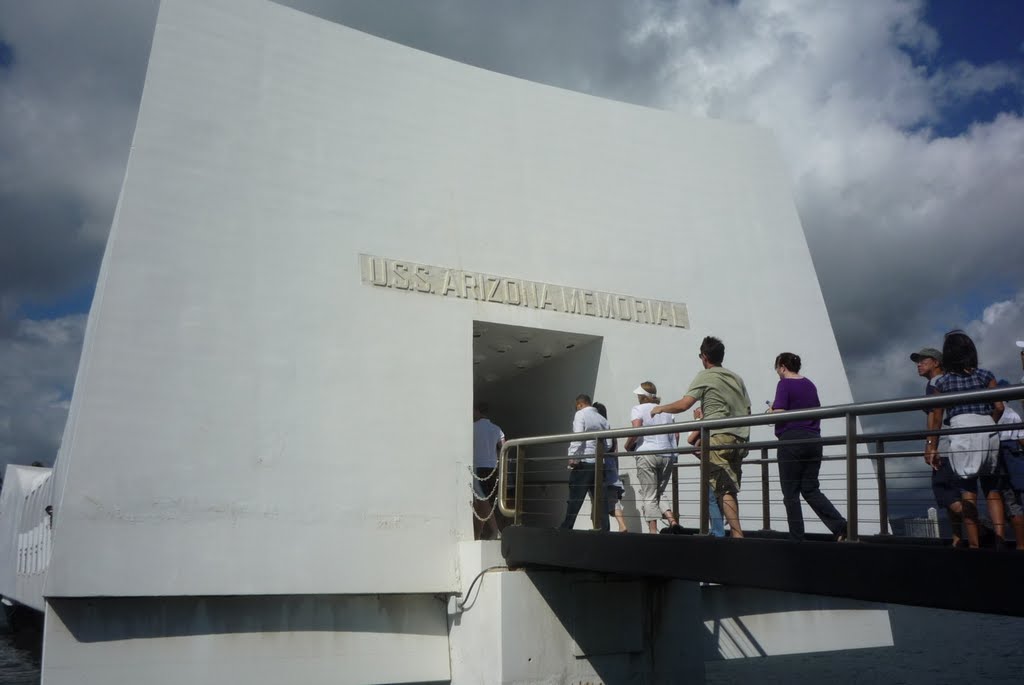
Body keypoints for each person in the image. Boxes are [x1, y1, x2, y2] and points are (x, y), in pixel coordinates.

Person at [651, 336, 751, 538]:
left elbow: (684, 404)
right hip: (740, 437)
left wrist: (660, 408)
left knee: (723, 489)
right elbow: (748, 409)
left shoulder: (706, 376)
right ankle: (730, 533)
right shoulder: (736, 378)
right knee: (728, 487)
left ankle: (736, 536)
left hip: (717, 437)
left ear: (705, 357)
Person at [926, 330, 1004, 548]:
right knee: (992, 489)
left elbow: (937, 418)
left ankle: (974, 544)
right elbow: (999, 406)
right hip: (987, 429)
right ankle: (999, 541)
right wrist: (989, 422)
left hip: (961, 431)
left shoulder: (942, 383)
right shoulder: (986, 376)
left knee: (968, 490)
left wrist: (932, 446)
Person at [768, 352, 847, 541]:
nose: (777, 372)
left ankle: (797, 538)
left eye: (777, 368)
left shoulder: (785, 383)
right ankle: (841, 527)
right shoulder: (810, 384)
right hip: (814, 439)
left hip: (792, 440)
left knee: (790, 493)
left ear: (783, 366)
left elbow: (779, 412)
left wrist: (770, 411)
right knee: (810, 488)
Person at [911, 346, 963, 547]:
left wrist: (930, 445)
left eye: (924, 360)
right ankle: (958, 537)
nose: (919, 364)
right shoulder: (948, 381)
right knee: (954, 491)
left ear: (936, 363)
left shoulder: (935, 384)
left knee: (943, 491)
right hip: (957, 444)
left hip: (944, 446)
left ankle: (980, 525)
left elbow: (934, 415)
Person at [624, 382, 680, 533]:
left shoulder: (638, 409)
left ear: (643, 396)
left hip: (647, 453)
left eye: (638, 395)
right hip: (667, 454)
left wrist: (627, 445)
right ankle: (673, 522)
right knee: (659, 492)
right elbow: (676, 434)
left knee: (649, 495)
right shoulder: (667, 411)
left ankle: (653, 533)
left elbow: (636, 429)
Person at [560, 394, 611, 531]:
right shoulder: (602, 419)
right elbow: (609, 444)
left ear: (580, 404)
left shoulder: (580, 414)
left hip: (583, 463)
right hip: (600, 464)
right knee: (600, 501)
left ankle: (566, 528)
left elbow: (578, 436)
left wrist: (572, 456)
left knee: (575, 499)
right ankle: (605, 530)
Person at [685, 415, 727, 537]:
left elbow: (690, 440)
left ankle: (717, 532)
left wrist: (700, 421)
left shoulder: (708, 419)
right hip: (719, 460)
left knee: (711, 499)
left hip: (711, 462)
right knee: (719, 497)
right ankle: (717, 529)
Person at [995, 380, 1024, 549]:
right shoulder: (1013, 414)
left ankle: (1006, 543)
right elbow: (1021, 439)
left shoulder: (993, 413)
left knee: (1003, 500)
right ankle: (1021, 545)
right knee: (1015, 502)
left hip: (998, 457)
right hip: (1014, 459)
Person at [593, 402, 628, 532]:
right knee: (613, 498)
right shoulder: (611, 431)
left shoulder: (597, 430)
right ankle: (621, 525)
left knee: (598, 500)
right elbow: (615, 453)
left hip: (601, 467)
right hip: (612, 467)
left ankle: (602, 528)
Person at [472, 402, 504, 540]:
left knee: (483, 502)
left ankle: (496, 531)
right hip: (493, 468)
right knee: (484, 503)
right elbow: (503, 445)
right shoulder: (496, 428)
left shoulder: (472, 427)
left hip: (477, 467)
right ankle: (477, 535)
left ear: (478, 411)